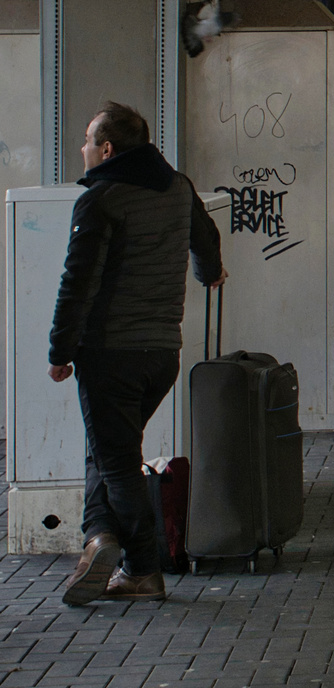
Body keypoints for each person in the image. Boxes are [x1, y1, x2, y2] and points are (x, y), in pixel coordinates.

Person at [49, 102, 224, 605]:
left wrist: (60, 350)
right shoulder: (177, 187)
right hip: (161, 355)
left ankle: (142, 569)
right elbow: (206, 242)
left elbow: (76, 284)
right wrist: (208, 273)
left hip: (110, 354)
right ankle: (98, 538)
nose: (82, 148)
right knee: (107, 451)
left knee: (117, 462)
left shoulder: (100, 198)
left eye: (87, 140)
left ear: (106, 149)